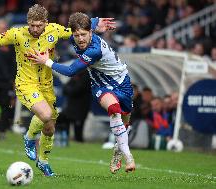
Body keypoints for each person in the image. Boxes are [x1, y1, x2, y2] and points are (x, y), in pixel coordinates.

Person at [0, 4, 116, 177]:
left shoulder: (54, 30)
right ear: (27, 22)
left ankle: (43, 162)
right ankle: (29, 137)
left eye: (39, 25)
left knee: (49, 128)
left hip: (46, 86)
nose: (35, 29)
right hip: (26, 84)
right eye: (32, 25)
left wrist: (95, 23)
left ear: (45, 23)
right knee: (45, 114)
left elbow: (75, 28)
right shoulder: (17, 34)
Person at [29, 12, 136, 173]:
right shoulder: (80, 34)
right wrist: (96, 21)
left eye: (84, 34)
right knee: (114, 110)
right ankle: (128, 157)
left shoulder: (94, 50)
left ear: (91, 33)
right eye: (77, 35)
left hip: (123, 83)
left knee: (126, 122)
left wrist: (47, 62)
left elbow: (72, 70)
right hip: (101, 85)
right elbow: (86, 23)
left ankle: (118, 150)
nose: (80, 39)